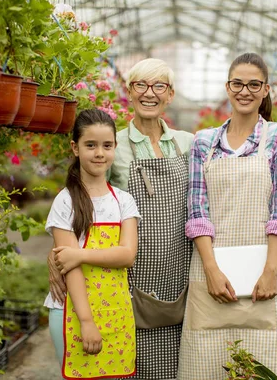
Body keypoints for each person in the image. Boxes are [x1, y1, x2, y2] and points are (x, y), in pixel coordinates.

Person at [49, 58, 194, 379]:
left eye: (159, 86)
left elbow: (204, 206)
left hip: (179, 276)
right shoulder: (116, 144)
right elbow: (84, 202)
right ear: (129, 92)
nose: (149, 93)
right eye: (141, 85)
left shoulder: (189, 144)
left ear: (170, 95)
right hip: (127, 283)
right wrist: (58, 254)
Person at [177, 52, 277, 379]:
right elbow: (197, 211)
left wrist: (270, 270)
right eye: (238, 84)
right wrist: (212, 270)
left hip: (264, 277)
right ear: (227, 88)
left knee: (259, 367)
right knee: (203, 367)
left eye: (253, 85)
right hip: (209, 275)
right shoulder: (204, 143)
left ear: (266, 90)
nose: (245, 91)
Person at [43, 108, 141, 379]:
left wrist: (81, 255)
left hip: (115, 311)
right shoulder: (65, 201)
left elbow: (127, 255)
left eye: (107, 146)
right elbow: (68, 267)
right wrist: (86, 322)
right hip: (72, 313)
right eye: (91, 145)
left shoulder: (124, 200)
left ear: (115, 148)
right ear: (75, 148)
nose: (99, 153)